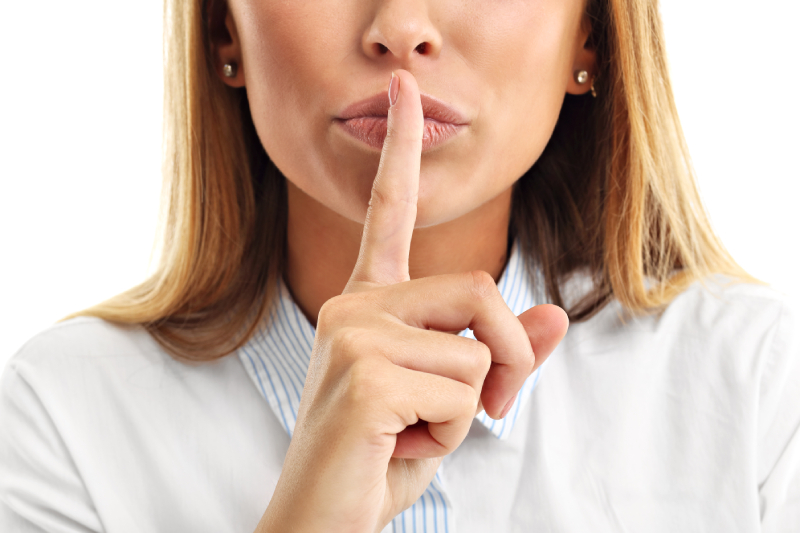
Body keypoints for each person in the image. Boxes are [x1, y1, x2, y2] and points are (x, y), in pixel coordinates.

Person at [1, 0, 798, 531]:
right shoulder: (60, 416)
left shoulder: (759, 384)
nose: (402, 28)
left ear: (588, 36)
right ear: (224, 33)